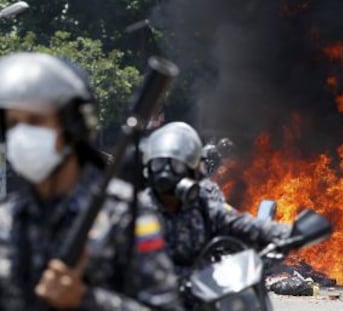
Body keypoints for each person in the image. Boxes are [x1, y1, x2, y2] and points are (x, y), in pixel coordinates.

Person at [0, 52, 182, 310]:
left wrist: (86, 299)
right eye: (13, 123)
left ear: (72, 124)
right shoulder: (8, 220)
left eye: (36, 120)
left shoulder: (125, 214)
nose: (21, 134)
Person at [138, 122, 291, 308]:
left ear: (192, 171)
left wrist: (288, 232)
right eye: (159, 163)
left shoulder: (200, 205)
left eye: (177, 165)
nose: (166, 172)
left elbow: (237, 222)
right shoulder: (134, 210)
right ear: (148, 168)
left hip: (199, 298)